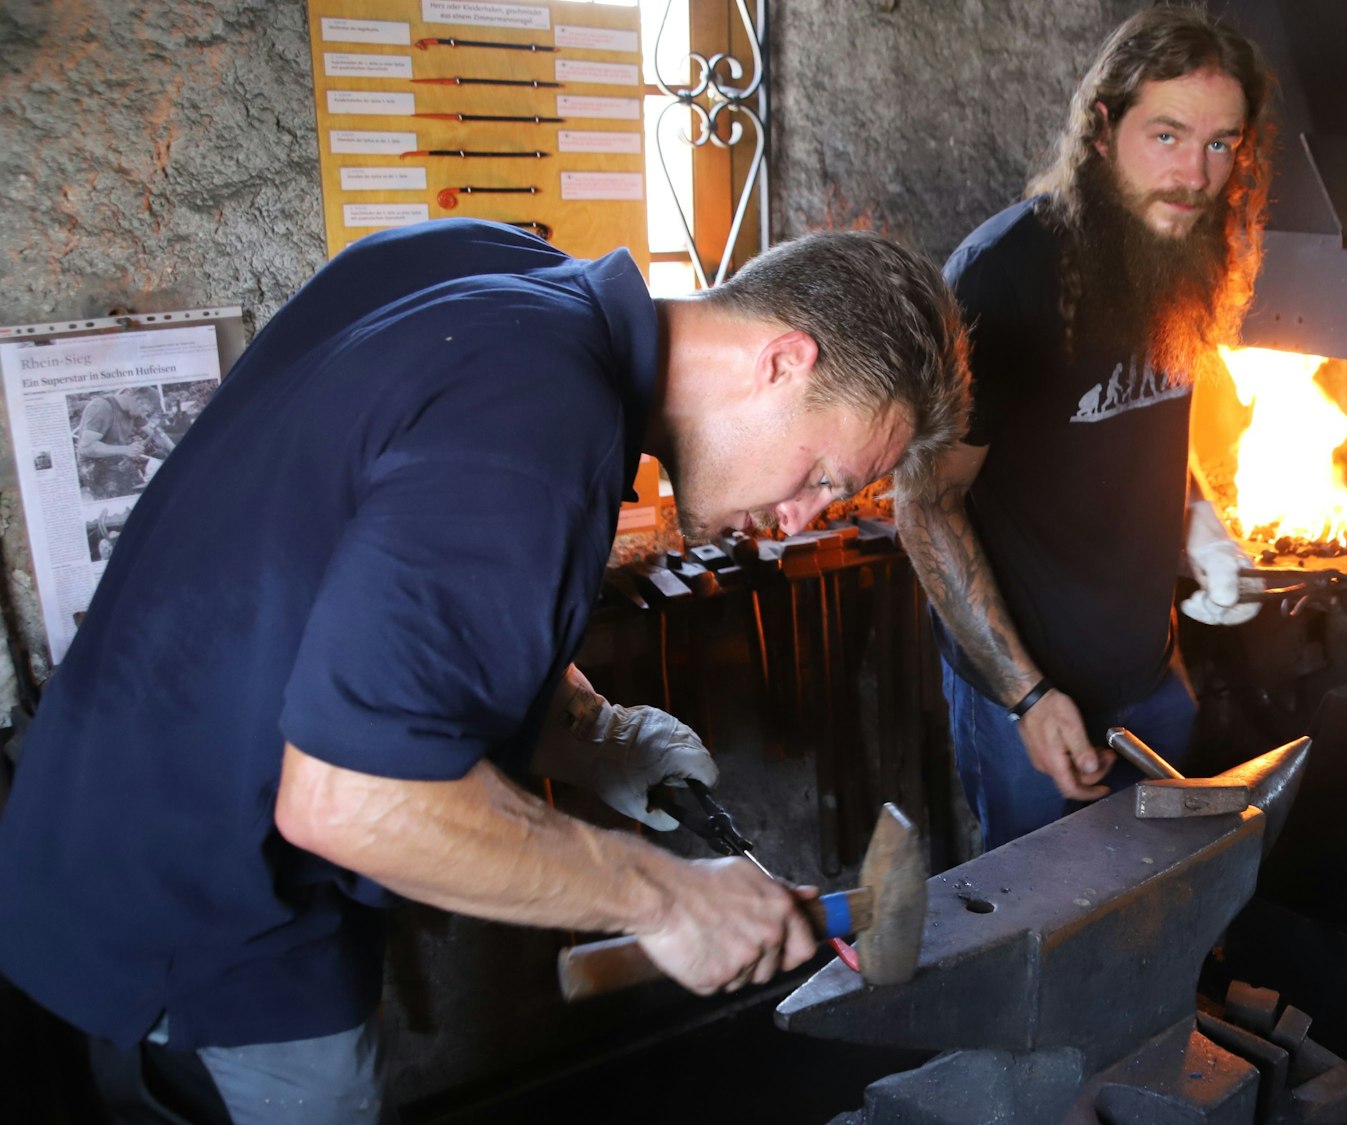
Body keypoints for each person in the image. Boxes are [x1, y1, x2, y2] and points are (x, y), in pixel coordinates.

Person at [0, 218, 967, 1123]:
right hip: (210, 925)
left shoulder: (494, 268)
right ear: (782, 361)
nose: (805, 515)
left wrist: (591, 732)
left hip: (80, 831)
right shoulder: (545, 425)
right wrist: (666, 897)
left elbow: (389, 614)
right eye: (827, 475)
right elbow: (348, 797)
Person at [899, 6, 1274, 848]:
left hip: (1149, 679)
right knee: (1039, 934)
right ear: (1103, 127)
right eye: (1168, 136)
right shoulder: (1005, 276)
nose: (1196, 175)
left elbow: (1139, 429)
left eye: (1222, 143)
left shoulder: (1181, 257)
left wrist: (1205, 530)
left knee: (1153, 910)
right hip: (1026, 701)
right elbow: (924, 505)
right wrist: (1026, 695)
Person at [74, 387, 175, 498]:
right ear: (137, 399)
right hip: (95, 466)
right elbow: (85, 448)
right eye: (146, 411)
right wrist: (125, 449)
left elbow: (156, 433)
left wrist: (176, 450)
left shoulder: (133, 410)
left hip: (117, 461)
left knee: (141, 492)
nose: (144, 415)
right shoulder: (101, 407)